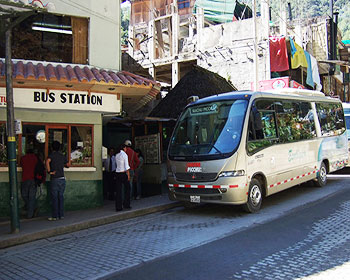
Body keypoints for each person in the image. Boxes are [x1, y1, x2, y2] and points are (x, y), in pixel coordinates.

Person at [46, 141, 68, 221]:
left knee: (54, 198)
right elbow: (68, 164)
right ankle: (61, 215)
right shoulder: (62, 156)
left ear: (52, 148)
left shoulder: (51, 155)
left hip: (55, 178)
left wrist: (49, 172)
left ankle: (55, 216)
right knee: (61, 197)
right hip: (62, 178)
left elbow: (47, 161)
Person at [20, 148, 38, 219]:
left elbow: (21, 164)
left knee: (24, 195)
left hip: (25, 178)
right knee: (31, 197)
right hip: (33, 179)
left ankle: (31, 211)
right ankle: (31, 211)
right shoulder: (35, 158)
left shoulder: (23, 158)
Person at [115, 143, 131, 211]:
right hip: (123, 173)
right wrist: (128, 175)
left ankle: (118, 206)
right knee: (128, 189)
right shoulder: (124, 155)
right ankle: (126, 204)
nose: (126, 149)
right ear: (124, 148)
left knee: (118, 191)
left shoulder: (117, 155)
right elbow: (126, 166)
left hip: (117, 173)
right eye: (126, 148)